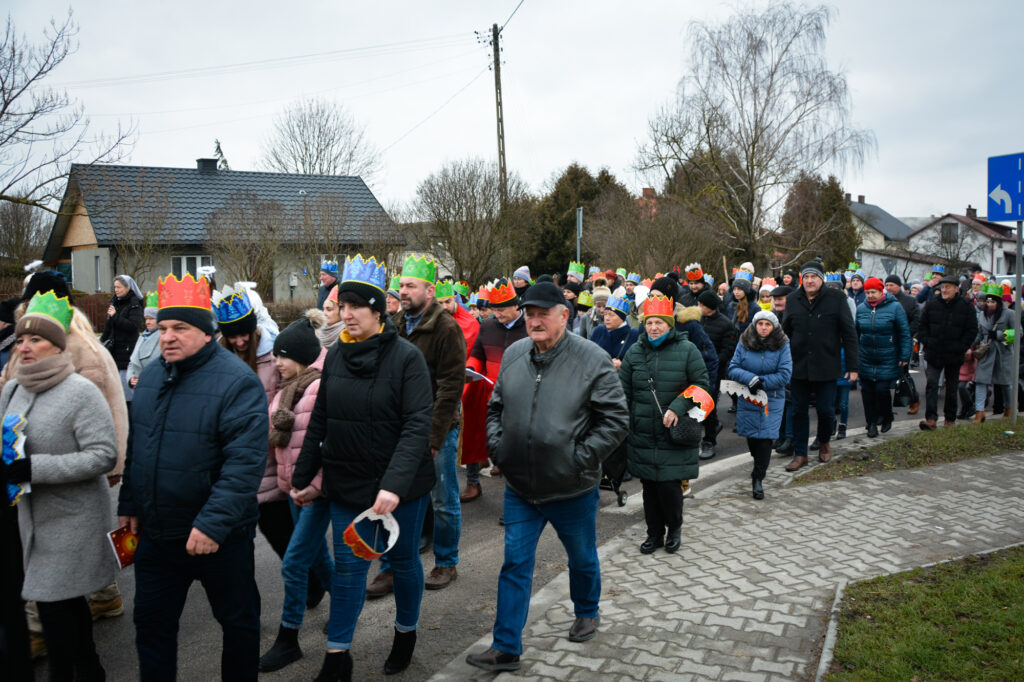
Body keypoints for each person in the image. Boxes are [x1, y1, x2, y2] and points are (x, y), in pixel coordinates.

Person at [464, 282, 628, 673]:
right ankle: (506, 646)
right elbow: (496, 408)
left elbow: (615, 419)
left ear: (564, 315)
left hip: (572, 487)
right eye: (529, 314)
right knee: (515, 564)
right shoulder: (516, 353)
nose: (534, 321)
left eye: (542, 314)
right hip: (521, 487)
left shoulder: (591, 358)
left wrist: (578, 459)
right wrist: (500, 449)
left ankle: (586, 610)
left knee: (581, 557)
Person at [289, 255, 435, 681]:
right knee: (350, 572)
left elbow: (417, 425)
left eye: (356, 306)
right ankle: (337, 656)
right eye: (342, 305)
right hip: (347, 484)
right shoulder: (334, 357)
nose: (347, 314)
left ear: (378, 310)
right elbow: (321, 420)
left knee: (403, 563)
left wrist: (393, 485)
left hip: (401, 490)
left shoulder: (407, 358)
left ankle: (405, 633)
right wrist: (303, 477)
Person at [118, 273, 269, 681]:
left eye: (180, 328)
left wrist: (212, 524)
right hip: (158, 534)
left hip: (219, 537)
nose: (167, 337)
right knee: (151, 626)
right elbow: (138, 445)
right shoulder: (152, 376)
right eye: (163, 327)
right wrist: (129, 501)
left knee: (238, 624)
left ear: (206, 332)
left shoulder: (238, 382)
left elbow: (244, 464)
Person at [2, 291, 118, 681]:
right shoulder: (12, 390)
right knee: (65, 606)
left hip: (72, 520)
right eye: (21, 339)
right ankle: (90, 669)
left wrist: (35, 468)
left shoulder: (80, 392)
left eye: (35, 339)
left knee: (53, 606)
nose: (24, 346)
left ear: (57, 345)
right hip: (26, 519)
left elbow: (103, 455)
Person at [369, 254, 466, 594]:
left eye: (411, 286)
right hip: (398, 428)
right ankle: (390, 568)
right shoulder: (393, 325)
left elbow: (450, 387)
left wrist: (434, 437)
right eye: (401, 285)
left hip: (437, 429)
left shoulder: (447, 329)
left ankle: (446, 562)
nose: (404, 291)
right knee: (393, 497)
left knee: (442, 500)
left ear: (430, 290)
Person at [258, 317, 333, 673]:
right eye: (274, 356)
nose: (277, 363)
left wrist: (315, 484)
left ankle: (289, 639)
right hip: (292, 490)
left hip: (313, 493)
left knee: (294, 562)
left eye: (282, 356)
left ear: (301, 356)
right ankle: (346, 605)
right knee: (319, 558)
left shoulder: (317, 389)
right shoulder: (287, 388)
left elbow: (326, 443)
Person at [619, 292, 708, 552]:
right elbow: (622, 392)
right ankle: (654, 534)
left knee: (669, 487)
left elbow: (702, 385)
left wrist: (677, 408)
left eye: (659, 322)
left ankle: (674, 529)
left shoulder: (687, 350)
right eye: (649, 322)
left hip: (673, 433)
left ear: (669, 324)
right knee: (649, 488)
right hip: (643, 432)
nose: (653, 327)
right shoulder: (634, 352)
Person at [781, 261, 859, 470]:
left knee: (825, 410)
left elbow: (849, 333)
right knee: (798, 411)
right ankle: (800, 454)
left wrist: (853, 367)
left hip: (827, 364)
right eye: (806, 277)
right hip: (799, 365)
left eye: (813, 277)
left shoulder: (836, 298)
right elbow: (785, 332)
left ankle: (824, 442)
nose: (809, 281)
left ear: (821, 279)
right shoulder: (793, 299)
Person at [461, 278, 526, 502]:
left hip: (518, 396)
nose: (497, 315)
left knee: (514, 448)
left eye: (502, 310)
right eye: (494, 310)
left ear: (516, 306)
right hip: (488, 393)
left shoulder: (529, 328)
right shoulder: (487, 326)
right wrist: (471, 368)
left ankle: (516, 498)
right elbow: (478, 354)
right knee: (472, 431)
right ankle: (473, 482)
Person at [728, 309, 792, 499]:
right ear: (755, 325)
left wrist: (762, 382)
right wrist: (750, 379)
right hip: (748, 395)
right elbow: (733, 367)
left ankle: (758, 477)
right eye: (760, 324)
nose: (763, 328)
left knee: (765, 439)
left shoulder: (783, 344)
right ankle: (758, 463)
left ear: (774, 327)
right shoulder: (744, 341)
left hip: (772, 398)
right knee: (752, 438)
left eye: (768, 324)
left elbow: (785, 374)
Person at [917, 275, 978, 429]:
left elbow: (971, 330)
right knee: (932, 384)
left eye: (948, 287)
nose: (944, 290)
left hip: (954, 354)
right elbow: (921, 326)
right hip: (934, 352)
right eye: (943, 287)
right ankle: (931, 419)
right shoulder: (932, 304)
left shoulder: (966, 306)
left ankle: (950, 419)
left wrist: (961, 346)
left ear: (956, 289)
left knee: (952, 387)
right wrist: (928, 342)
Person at [855, 277, 911, 437]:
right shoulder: (861, 309)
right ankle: (871, 424)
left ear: (881, 292)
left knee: (882, 390)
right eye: (867, 292)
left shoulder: (895, 307)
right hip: (866, 357)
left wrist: (905, 355)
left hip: (888, 356)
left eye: (873, 292)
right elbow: (856, 332)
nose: (870, 295)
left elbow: (904, 333)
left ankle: (887, 416)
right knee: (867, 392)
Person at [698, 289, 737, 459]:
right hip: (696, 369)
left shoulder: (726, 324)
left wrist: (712, 362)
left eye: (702, 304)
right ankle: (712, 427)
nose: (698, 306)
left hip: (714, 371)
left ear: (710, 306)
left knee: (709, 406)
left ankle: (709, 441)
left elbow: (727, 351)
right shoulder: (697, 320)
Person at [971, 282, 1016, 423]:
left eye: (992, 302)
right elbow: (978, 334)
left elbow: (1018, 333)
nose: (989, 304)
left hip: (1003, 353)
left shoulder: (1009, 314)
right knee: (981, 381)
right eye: (988, 302)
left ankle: (1009, 408)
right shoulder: (981, 315)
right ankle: (979, 412)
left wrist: (998, 335)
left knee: (1005, 384)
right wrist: (969, 346)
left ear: (998, 302)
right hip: (986, 352)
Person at [100, 274, 144, 404]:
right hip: (114, 350)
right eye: (115, 287)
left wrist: (115, 316)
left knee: (126, 391)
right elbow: (109, 326)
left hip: (127, 350)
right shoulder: (115, 302)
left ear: (128, 287)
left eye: (119, 287)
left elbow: (133, 326)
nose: (116, 290)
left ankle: (130, 410)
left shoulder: (134, 304)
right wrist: (100, 342)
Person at [884, 275, 921, 413]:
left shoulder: (909, 301)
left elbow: (917, 320)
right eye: (887, 285)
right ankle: (885, 408)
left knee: (903, 373)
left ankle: (914, 399)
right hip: (886, 342)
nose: (889, 288)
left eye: (892, 285)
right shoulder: (884, 300)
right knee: (885, 375)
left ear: (899, 286)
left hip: (903, 342)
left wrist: (906, 333)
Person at [589, 296, 640, 369]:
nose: (607, 318)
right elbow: (588, 355)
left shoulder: (634, 334)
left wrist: (623, 366)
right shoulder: (599, 331)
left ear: (621, 318)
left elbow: (639, 363)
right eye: (605, 314)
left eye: (611, 315)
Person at [127, 292, 162, 389]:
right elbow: (132, 363)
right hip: (139, 389)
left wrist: (143, 380)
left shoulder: (163, 338)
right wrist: (131, 379)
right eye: (146, 319)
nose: (147, 322)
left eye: (151, 319)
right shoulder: (142, 337)